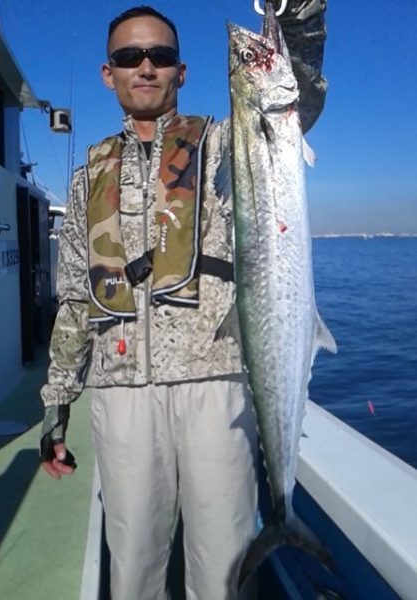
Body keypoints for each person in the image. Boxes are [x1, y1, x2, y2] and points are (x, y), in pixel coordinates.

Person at [39, 4, 327, 599]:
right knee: (135, 570)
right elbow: (74, 302)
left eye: (160, 56)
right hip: (120, 396)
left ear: (182, 71)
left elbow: (294, 92)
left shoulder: (224, 145)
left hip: (215, 387)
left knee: (222, 569)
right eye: (129, 57)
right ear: (108, 73)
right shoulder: (86, 176)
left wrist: (297, 14)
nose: (145, 67)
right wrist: (56, 408)